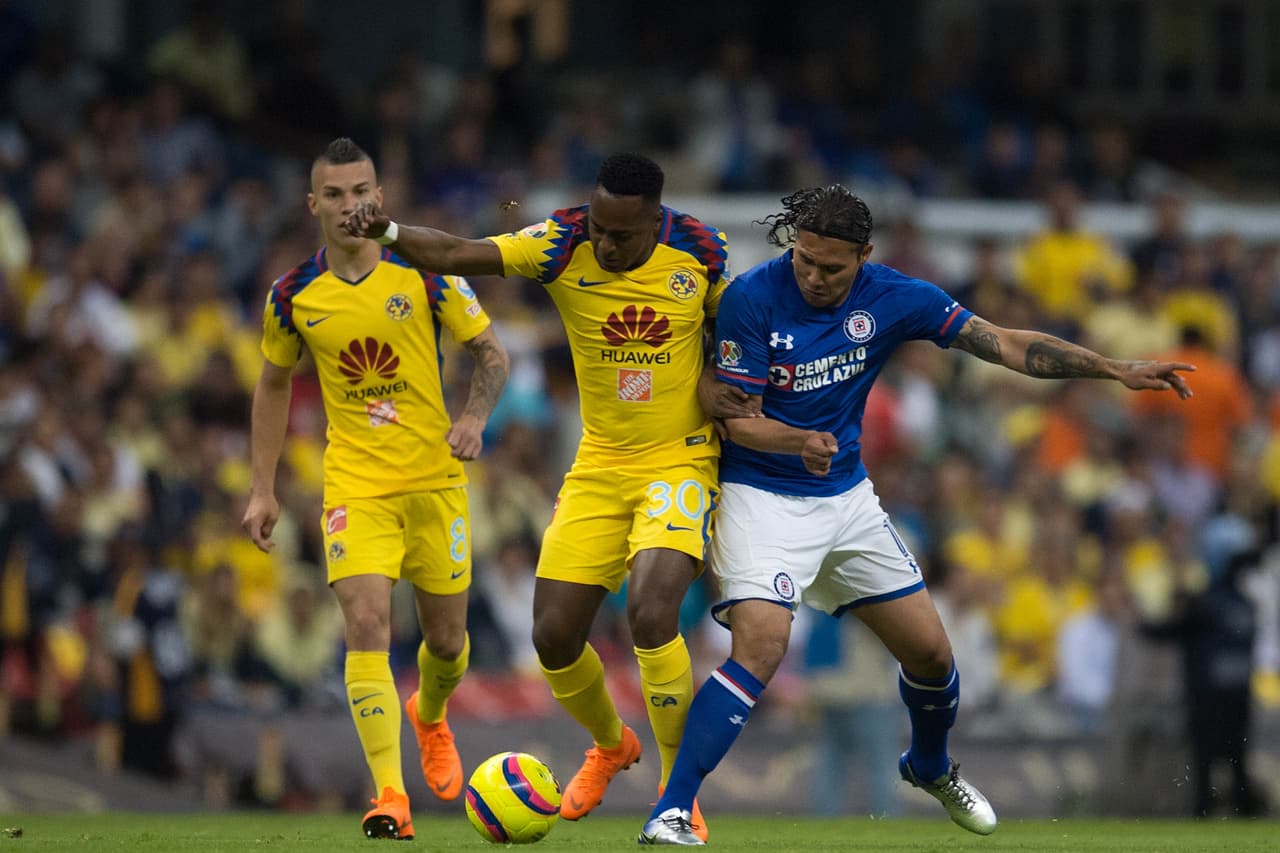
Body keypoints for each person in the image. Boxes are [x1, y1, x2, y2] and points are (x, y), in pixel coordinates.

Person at [639, 184, 1195, 845]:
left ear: (864, 256)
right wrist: (799, 440)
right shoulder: (752, 298)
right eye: (805, 260)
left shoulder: (897, 297)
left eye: (831, 266)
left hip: (845, 499)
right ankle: (671, 810)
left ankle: (929, 765)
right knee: (760, 647)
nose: (813, 275)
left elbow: (1005, 344)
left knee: (932, 654)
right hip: (762, 496)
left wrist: (1111, 368)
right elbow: (734, 422)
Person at [341, 152, 752, 841]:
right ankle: (612, 744)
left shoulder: (701, 250)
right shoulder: (560, 242)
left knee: (653, 613)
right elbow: (455, 251)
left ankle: (677, 793)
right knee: (553, 635)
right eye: (598, 226)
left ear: (656, 220)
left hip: (679, 459)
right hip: (597, 464)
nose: (605, 243)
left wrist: (724, 389)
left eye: (622, 234)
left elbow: (733, 338)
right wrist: (388, 232)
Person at [241, 138, 510, 840]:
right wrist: (262, 488)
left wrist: (474, 417)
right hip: (356, 484)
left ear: (379, 198)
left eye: (360, 191)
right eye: (333, 194)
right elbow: (272, 384)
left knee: (447, 643)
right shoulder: (292, 294)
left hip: (436, 480)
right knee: (365, 625)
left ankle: (430, 712)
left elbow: (491, 352)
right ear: (313, 205)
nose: (348, 205)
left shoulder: (427, 274)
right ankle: (390, 793)